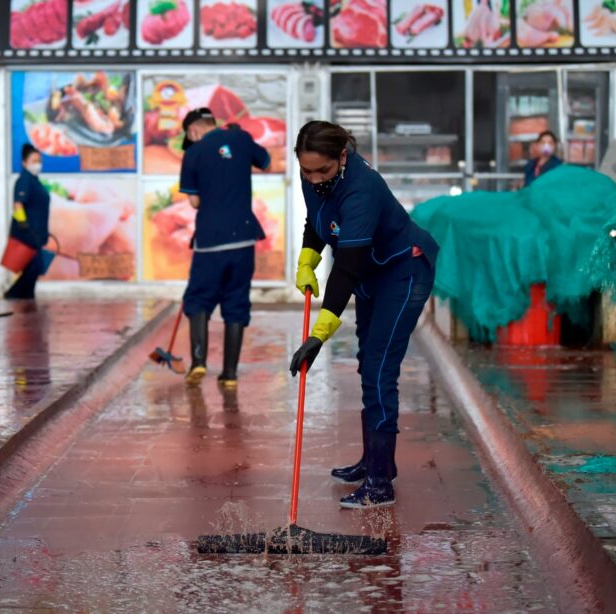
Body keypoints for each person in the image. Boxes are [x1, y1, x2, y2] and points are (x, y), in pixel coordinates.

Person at [289, 120, 438, 509]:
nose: (314, 179)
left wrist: (318, 336)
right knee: (366, 364)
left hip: (402, 270)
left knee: (379, 367)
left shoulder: (362, 189)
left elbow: (348, 266)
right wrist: (307, 258)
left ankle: (379, 485)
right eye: (306, 171)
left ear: (342, 156)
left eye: (322, 171)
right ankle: (376, 463)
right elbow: (318, 221)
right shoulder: (315, 174)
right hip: (372, 273)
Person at [179, 107, 271, 388]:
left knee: (198, 300)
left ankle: (198, 362)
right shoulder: (241, 139)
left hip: (210, 241)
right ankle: (229, 374)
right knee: (236, 301)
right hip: (243, 238)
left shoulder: (192, 153)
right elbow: (265, 161)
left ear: (193, 131)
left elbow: (194, 202)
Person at [4, 144, 51, 300]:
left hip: (36, 233)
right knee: (34, 267)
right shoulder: (24, 180)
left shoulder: (34, 181)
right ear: (24, 163)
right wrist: (24, 223)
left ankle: (26, 296)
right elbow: (18, 204)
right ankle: (14, 294)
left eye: (39, 160)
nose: (38, 164)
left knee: (34, 268)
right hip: (28, 233)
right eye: (34, 160)